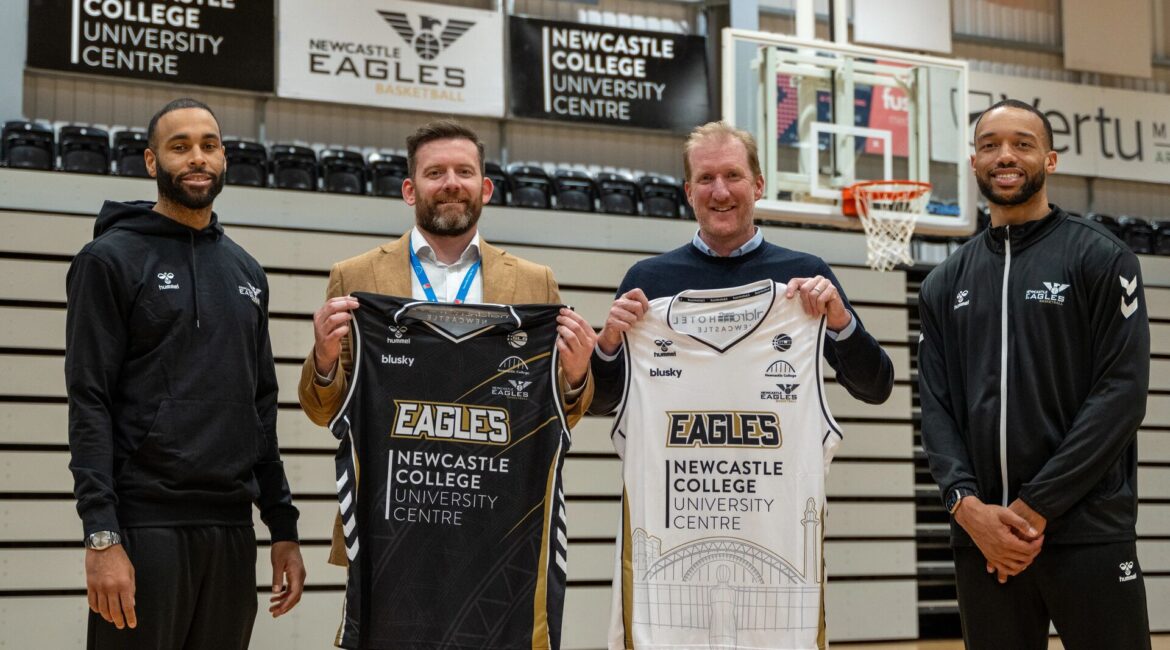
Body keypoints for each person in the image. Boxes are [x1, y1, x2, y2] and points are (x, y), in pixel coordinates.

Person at [298, 118, 597, 566]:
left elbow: (556, 416)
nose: (451, 184)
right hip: (389, 519)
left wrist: (576, 376)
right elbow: (324, 410)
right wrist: (323, 359)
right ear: (410, 189)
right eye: (435, 173)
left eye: (464, 172)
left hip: (499, 521)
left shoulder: (536, 283)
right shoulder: (356, 277)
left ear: (486, 187)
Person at [65, 98, 305, 650]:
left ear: (223, 159)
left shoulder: (246, 271)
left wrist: (282, 527)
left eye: (209, 145)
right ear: (152, 163)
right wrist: (102, 535)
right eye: (180, 147)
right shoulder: (108, 260)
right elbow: (89, 402)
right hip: (144, 528)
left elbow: (259, 407)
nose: (197, 158)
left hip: (231, 528)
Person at [918, 99, 1151, 648]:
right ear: (973, 161)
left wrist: (1033, 508)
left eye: (1022, 143)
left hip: (1086, 532)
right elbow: (937, 409)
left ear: (1050, 160)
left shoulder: (1102, 259)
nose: (1005, 155)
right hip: (983, 539)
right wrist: (967, 507)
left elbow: (1121, 395)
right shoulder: (943, 283)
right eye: (990, 144)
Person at [589, 121, 894, 415]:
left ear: (758, 185)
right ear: (689, 193)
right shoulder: (647, 281)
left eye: (733, 175)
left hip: (776, 467)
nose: (720, 192)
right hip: (677, 466)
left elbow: (875, 389)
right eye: (706, 178)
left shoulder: (805, 274)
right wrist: (608, 343)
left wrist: (842, 322)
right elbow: (600, 404)